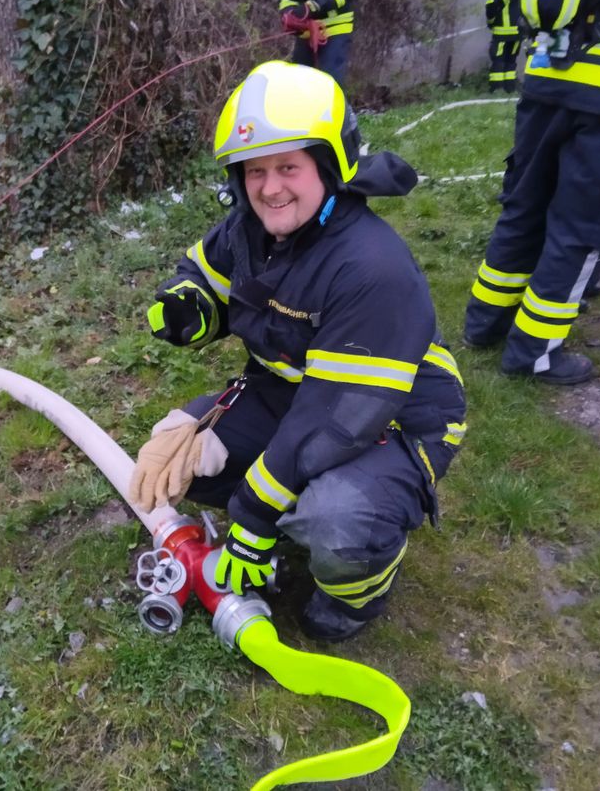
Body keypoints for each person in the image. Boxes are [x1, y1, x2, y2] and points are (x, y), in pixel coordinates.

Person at [129, 61, 467, 642]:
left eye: (288, 166)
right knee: (183, 454)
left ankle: (361, 586)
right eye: (254, 170)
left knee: (336, 518)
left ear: (329, 165)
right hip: (291, 395)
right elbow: (206, 273)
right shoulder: (249, 230)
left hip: (390, 418)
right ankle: (288, 503)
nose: (269, 186)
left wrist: (254, 520)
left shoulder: (370, 267)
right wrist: (190, 306)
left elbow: (338, 416)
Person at [464, 0, 600, 385]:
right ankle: (534, 353)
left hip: (545, 76)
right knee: (582, 228)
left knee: (524, 206)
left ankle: (484, 324)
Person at [485, 0, 522, 93]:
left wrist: (490, 21)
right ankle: (509, 88)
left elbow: (491, 5)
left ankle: (497, 89)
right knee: (511, 59)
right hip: (518, 30)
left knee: (498, 59)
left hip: (501, 30)